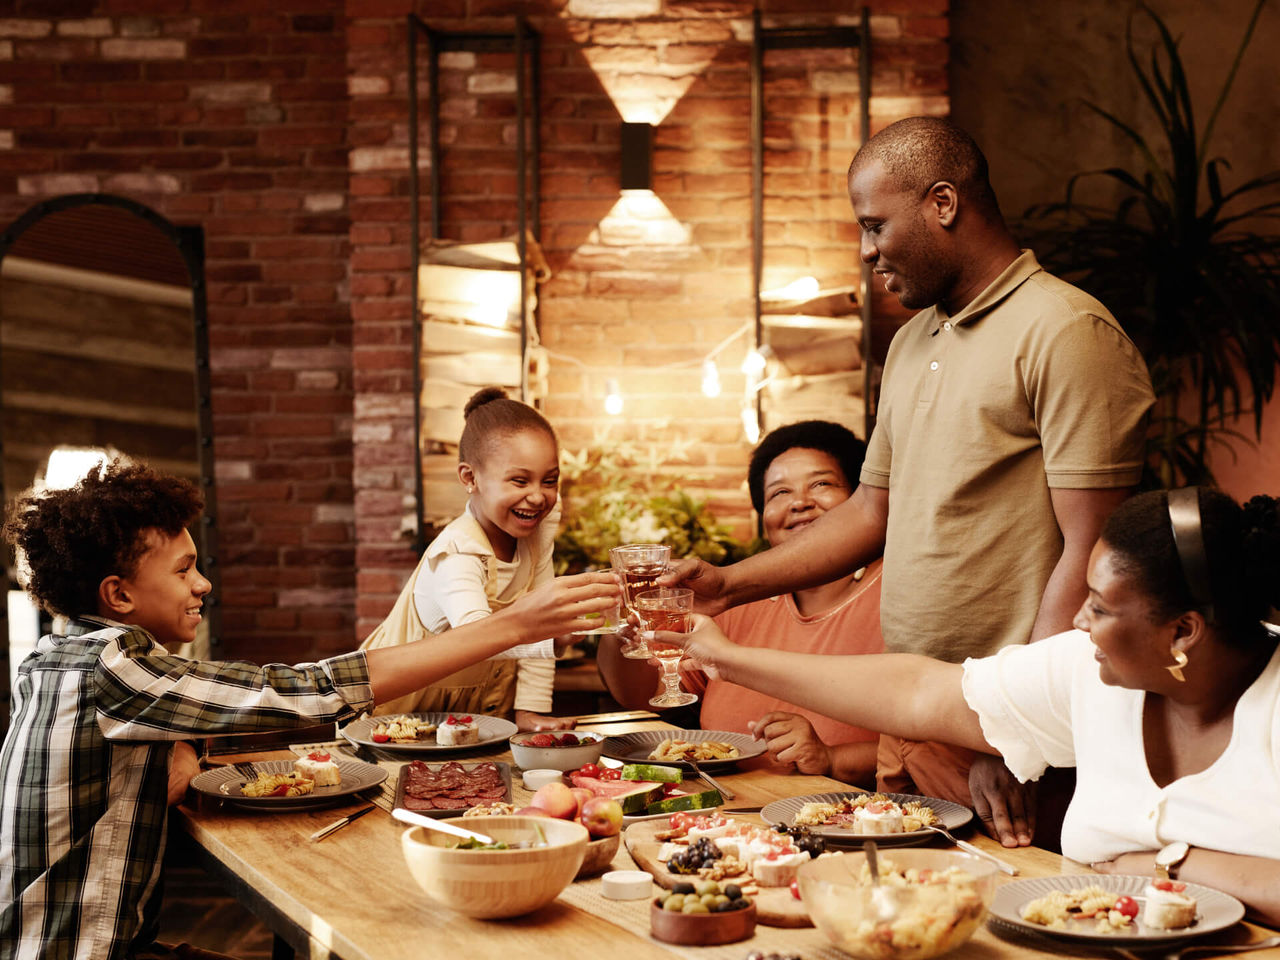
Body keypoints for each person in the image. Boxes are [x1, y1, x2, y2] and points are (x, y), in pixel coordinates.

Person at [663, 116, 1155, 846]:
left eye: (874, 225)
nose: (865, 250)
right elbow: (870, 511)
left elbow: (1090, 555)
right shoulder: (914, 340)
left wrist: (1005, 738)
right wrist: (730, 585)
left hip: (1004, 737)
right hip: (908, 717)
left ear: (944, 204)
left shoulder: (1066, 332)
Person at [0, 460, 617, 959]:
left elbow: (173, 717)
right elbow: (300, 691)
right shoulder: (113, 666)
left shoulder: (62, 658)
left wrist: (180, 746)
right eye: (185, 569)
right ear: (119, 594)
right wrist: (510, 626)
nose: (203, 583)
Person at [667, 487, 1280, 925]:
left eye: (1100, 606)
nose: (1077, 619)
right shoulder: (1088, 670)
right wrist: (727, 657)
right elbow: (917, 693)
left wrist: (1164, 862)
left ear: (1184, 631)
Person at [599, 420, 884, 785]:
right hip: (729, 817)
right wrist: (621, 628)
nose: (800, 503)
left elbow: (943, 735)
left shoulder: (895, 594)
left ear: (862, 500)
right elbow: (643, 696)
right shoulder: (736, 602)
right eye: (779, 493)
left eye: (822, 484)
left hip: (854, 820)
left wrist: (832, 758)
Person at [359, 387, 572, 732]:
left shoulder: (535, 530)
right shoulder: (457, 553)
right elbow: (478, 640)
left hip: (472, 723)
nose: (537, 496)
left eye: (550, 480)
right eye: (519, 480)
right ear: (470, 478)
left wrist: (530, 709)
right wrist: (553, 639)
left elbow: (543, 612)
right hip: (396, 723)